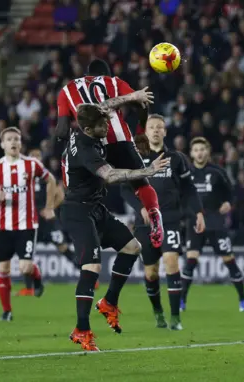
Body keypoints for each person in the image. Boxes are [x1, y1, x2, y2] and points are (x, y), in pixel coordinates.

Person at [62, 103, 170, 352]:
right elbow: (109, 176)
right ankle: (81, 329)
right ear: (89, 128)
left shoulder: (84, 129)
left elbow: (101, 107)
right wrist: (146, 170)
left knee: (132, 247)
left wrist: (133, 97)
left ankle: (109, 302)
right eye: (103, 125)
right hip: (77, 210)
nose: (107, 126)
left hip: (94, 207)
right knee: (92, 266)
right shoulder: (86, 149)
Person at [55, 59, 165, 249]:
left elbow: (62, 130)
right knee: (140, 184)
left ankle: (87, 225)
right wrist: (140, 131)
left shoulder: (66, 90)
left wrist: (72, 144)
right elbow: (141, 102)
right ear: (105, 73)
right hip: (119, 139)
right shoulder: (113, 82)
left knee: (85, 187)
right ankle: (154, 211)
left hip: (90, 143)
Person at [122, 114, 205, 330]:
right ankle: (158, 312)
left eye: (160, 127)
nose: (156, 130)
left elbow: (188, 189)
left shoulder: (176, 158)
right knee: (150, 272)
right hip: (145, 225)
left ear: (165, 132)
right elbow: (125, 188)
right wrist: (139, 207)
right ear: (145, 132)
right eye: (152, 127)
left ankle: (176, 318)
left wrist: (198, 213)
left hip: (169, 220)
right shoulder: (136, 158)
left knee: (171, 262)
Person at [0, 127, 58, 322]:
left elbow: (51, 180)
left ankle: (37, 277)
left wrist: (49, 207)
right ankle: (7, 311)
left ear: (20, 143)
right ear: (2, 144)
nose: (13, 142)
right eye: (9, 139)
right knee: (3, 269)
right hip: (4, 228)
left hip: (26, 225)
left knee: (24, 268)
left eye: (16, 139)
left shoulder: (31, 165)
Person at [182, 137, 244, 312]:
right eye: (196, 150)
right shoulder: (186, 173)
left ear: (208, 152)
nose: (199, 153)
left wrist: (228, 202)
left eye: (202, 149)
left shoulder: (217, 172)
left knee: (229, 260)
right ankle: (182, 301)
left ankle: (243, 300)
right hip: (195, 222)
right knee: (190, 260)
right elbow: (181, 196)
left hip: (215, 222)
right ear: (191, 153)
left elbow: (231, 192)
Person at [15, 148, 86, 297]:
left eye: (37, 156)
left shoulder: (46, 176)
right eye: (32, 156)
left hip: (48, 221)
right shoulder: (23, 176)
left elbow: (60, 194)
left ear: (41, 158)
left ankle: (87, 276)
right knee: (26, 252)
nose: (35, 158)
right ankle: (29, 288)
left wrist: (49, 208)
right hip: (31, 220)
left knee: (62, 247)